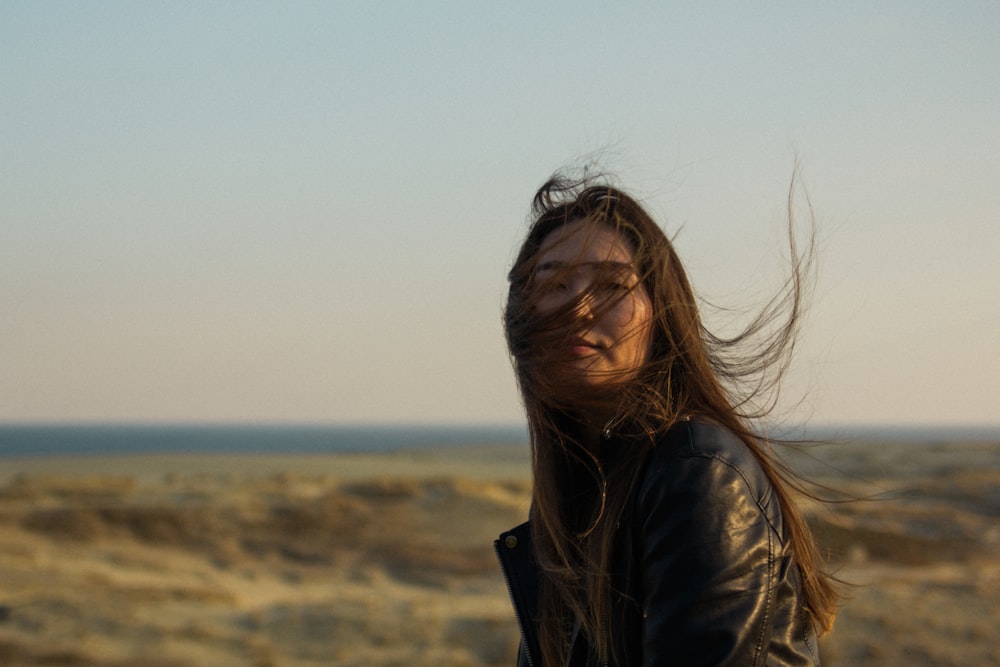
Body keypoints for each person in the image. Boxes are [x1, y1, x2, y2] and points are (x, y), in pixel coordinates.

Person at [495, 173, 838, 666]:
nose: (579, 307)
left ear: (661, 312)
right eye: (554, 284)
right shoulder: (582, 485)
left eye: (613, 284)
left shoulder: (698, 471)